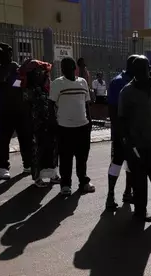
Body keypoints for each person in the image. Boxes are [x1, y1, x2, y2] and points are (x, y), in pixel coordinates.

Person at [118, 55, 151, 222]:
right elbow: (122, 120)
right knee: (139, 183)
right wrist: (128, 144)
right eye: (137, 70)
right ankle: (140, 212)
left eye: (144, 69)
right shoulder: (127, 92)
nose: (141, 72)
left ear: (148, 69)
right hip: (136, 146)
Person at [48, 57, 94, 196]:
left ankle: (83, 181)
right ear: (62, 69)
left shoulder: (83, 82)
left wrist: (90, 120)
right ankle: (66, 184)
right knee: (66, 158)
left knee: (82, 157)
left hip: (83, 126)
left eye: (70, 67)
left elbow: (86, 103)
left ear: (75, 68)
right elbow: (51, 104)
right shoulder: (57, 83)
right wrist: (53, 121)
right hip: (64, 127)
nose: (67, 70)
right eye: (64, 68)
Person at [20, 58, 60, 187]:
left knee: (52, 149)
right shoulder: (28, 91)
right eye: (39, 72)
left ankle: (53, 174)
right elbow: (27, 111)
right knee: (38, 150)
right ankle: (37, 177)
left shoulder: (45, 88)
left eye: (43, 72)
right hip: (36, 126)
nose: (43, 74)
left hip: (49, 123)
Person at [105, 55, 137, 210]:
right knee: (117, 163)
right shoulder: (119, 82)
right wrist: (120, 134)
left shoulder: (136, 81)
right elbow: (112, 110)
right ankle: (110, 195)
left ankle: (127, 192)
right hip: (121, 133)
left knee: (132, 164)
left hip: (135, 134)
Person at [0, 43, 32, 179]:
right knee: (4, 140)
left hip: (20, 109)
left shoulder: (17, 68)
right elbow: (0, 81)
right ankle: (4, 166)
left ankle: (27, 164)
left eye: (2, 53)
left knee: (24, 138)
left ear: (10, 54)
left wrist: (12, 82)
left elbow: (20, 84)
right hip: (5, 110)